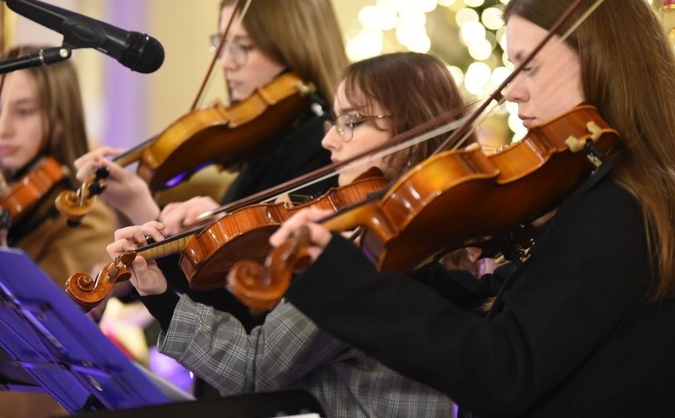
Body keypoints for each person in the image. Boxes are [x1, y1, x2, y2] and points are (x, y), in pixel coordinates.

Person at [269, 0, 675, 417]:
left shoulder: (619, 209)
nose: (510, 91)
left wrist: (344, 281)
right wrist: (407, 256)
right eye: (511, 67)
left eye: (530, 67)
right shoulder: (618, 189)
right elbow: (519, 313)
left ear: (601, 58)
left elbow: (502, 369)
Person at [106, 52, 468, 416]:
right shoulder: (452, 234)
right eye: (334, 121)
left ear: (413, 133)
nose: (329, 141)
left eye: (352, 122)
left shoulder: (372, 254)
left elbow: (251, 368)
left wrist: (163, 299)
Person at [73, 0, 349, 397]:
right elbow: (213, 280)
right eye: (221, 44)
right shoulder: (265, 145)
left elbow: (249, 306)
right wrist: (143, 212)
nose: (227, 63)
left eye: (244, 46)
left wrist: (157, 218)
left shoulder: (321, 148)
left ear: (293, 46)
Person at [0, 45, 116, 418]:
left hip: (28, 406)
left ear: (58, 119)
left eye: (22, 111)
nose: (2, 128)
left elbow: (55, 334)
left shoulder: (89, 219)